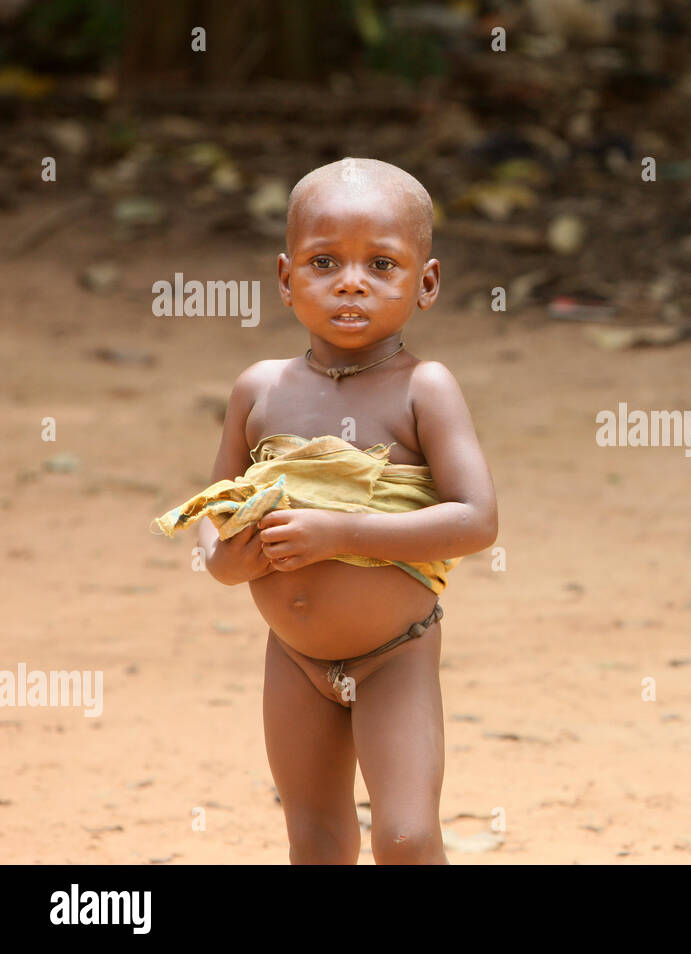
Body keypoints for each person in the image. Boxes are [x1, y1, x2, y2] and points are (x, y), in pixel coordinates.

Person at [152, 157, 498, 864]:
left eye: (381, 264)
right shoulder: (259, 391)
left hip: (393, 654)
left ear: (425, 284)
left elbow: (476, 519)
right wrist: (233, 560)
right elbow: (220, 540)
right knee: (313, 838)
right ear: (286, 279)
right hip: (293, 659)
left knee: (403, 837)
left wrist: (343, 533)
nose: (350, 281)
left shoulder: (423, 390)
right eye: (323, 262)